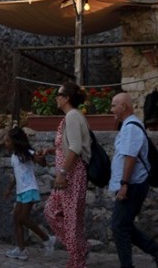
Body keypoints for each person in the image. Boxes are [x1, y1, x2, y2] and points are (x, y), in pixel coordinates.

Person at [108, 92, 158, 268]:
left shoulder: (131, 128)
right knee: (123, 224)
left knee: (119, 226)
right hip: (132, 184)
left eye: (114, 105)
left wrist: (124, 184)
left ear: (124, 107)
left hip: (133, 185)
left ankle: (131, 264)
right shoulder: (129, 126)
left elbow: (130, 158)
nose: (111, 109)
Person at [41, 82, 91, 268]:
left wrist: (62, 173)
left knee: (71, 220)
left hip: (71, 175)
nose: (56, 97)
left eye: (59, 94)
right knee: (52, 212)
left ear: (67, 97)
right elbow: (68, 147)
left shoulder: (72, 116)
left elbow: (76, 148)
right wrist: (51, 150)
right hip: (68, 175)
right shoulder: (71, 117)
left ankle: (78, 260)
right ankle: (79, 248)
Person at [4, 126, 56, 260]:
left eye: (8, 141)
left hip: (30, 189)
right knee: (17, 219)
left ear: (16, 141)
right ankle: (21, 250)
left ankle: (47, 239)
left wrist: (39, 157)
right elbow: (17, 176)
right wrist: (9, 189)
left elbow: (43, 163)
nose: (6, 143)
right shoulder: (14, 157)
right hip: (21, 191)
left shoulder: (27, 152)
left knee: (22, 218)